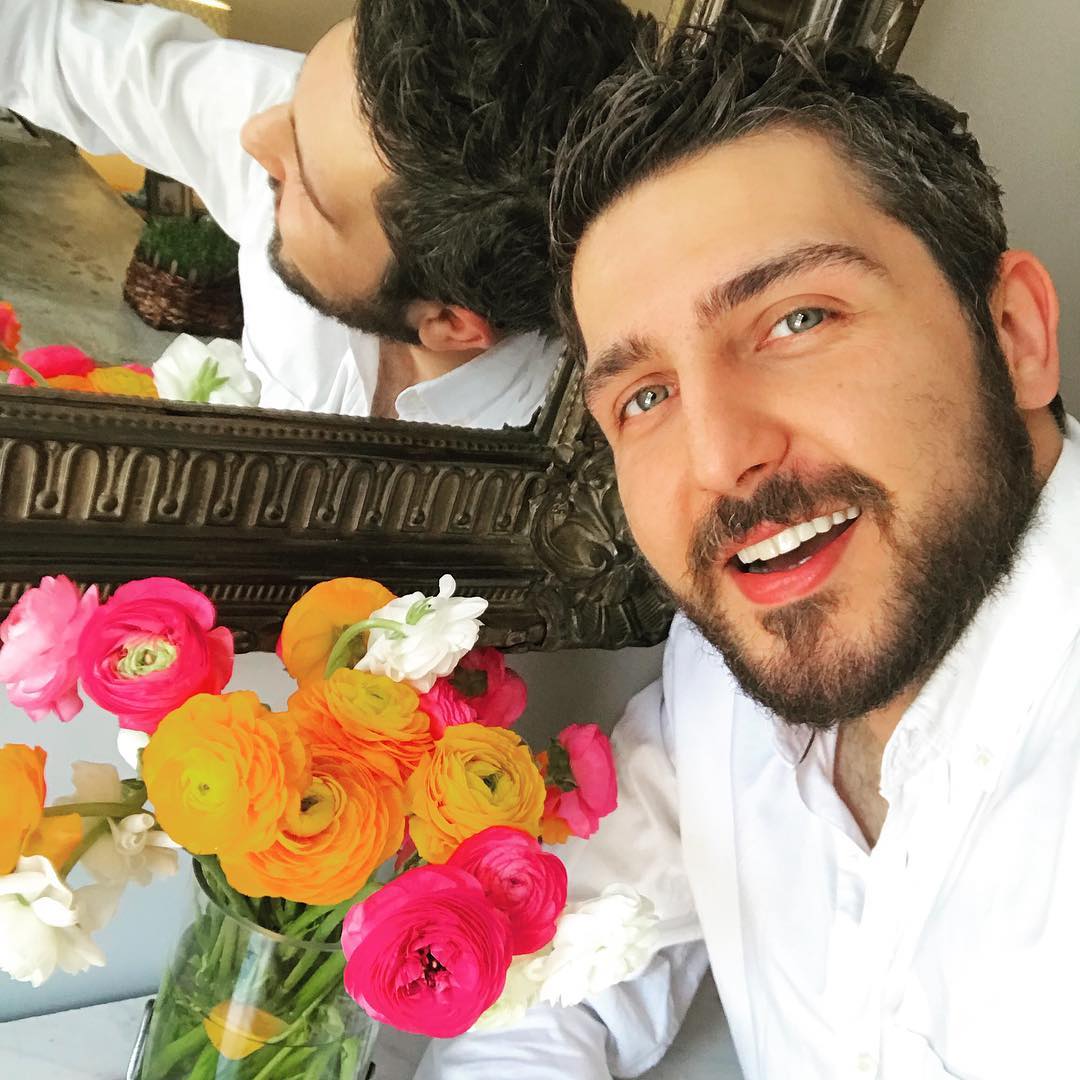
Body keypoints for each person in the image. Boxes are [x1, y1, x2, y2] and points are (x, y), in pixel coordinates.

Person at [418, 18, 1078, 1080]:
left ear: (1014, 335)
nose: (721, 457)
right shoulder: (723, 678)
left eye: (797, 320)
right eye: (645, 397)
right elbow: (547, 985)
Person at [0, 0, 637, 425]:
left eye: (303, 183)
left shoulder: (577, 444)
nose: (254, 137)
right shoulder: (322, 120)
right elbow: (51, 47)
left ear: (449, 324)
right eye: (298, 95)